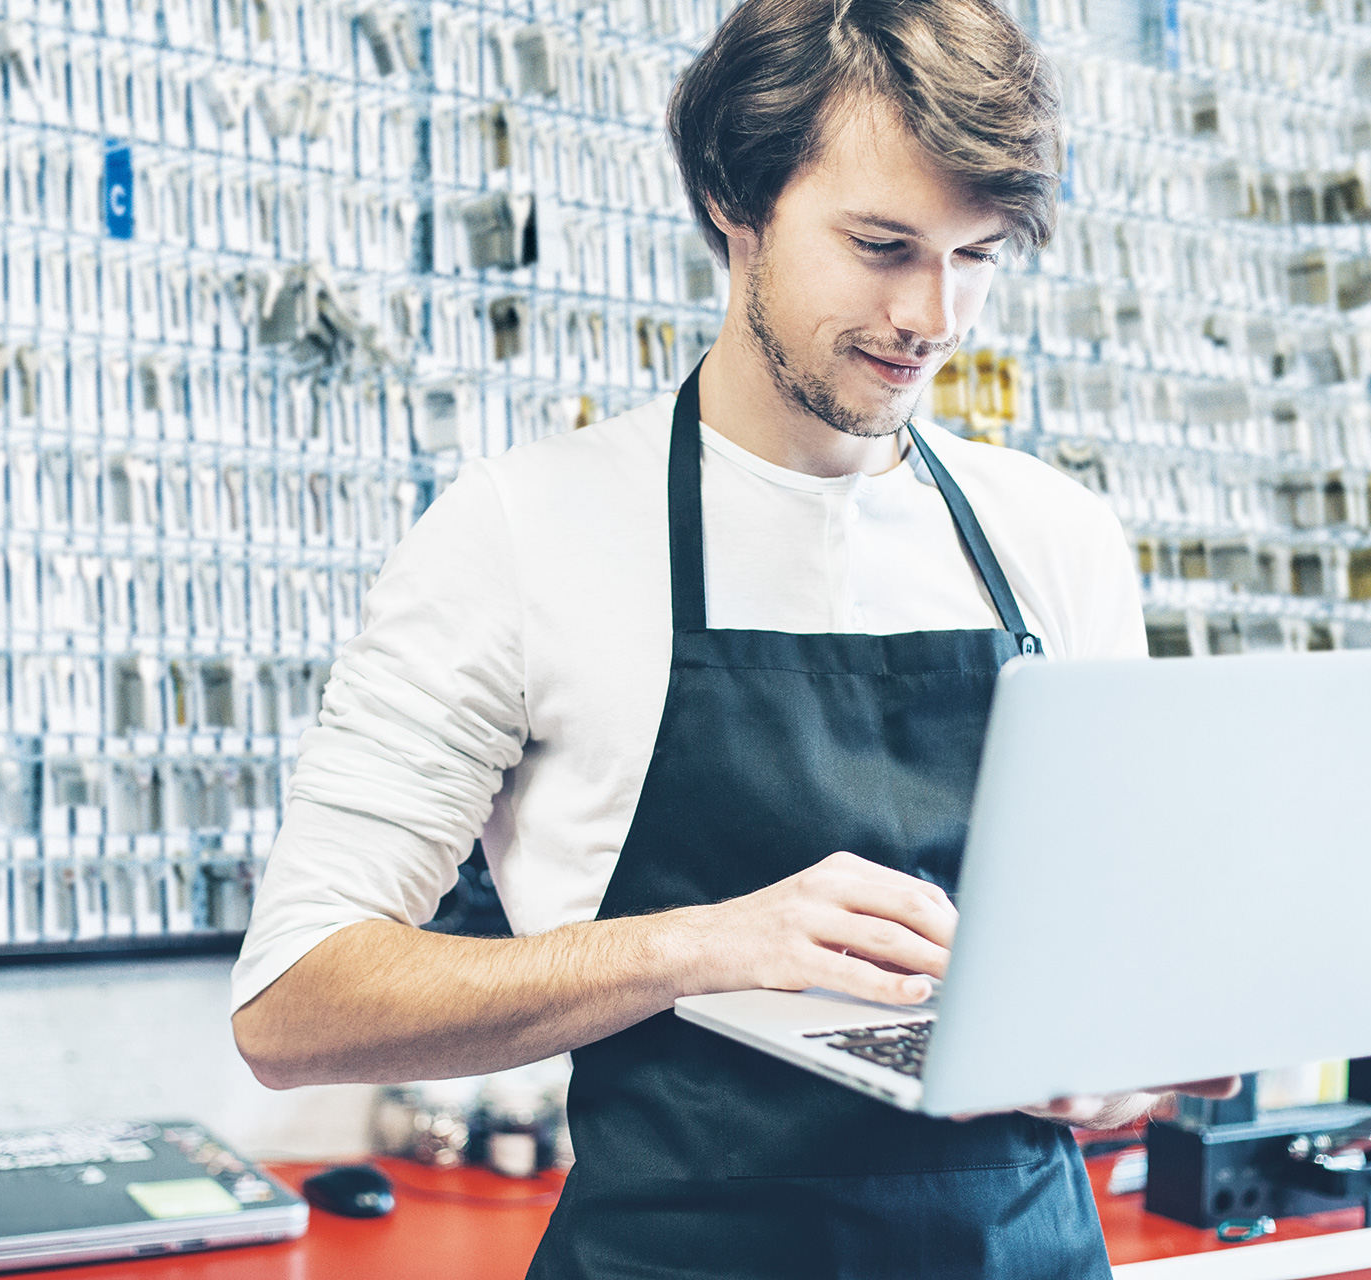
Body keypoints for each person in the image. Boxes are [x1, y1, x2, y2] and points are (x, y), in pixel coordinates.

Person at [232, 0, 1233, 1273]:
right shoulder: (521, 533)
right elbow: (294, 1006)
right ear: (732, 198)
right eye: (880, 243)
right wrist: (697, 945)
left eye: (975, 254)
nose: (931, 314)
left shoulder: (1056, 539)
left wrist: (1117, 1073)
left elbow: (1129, 976)